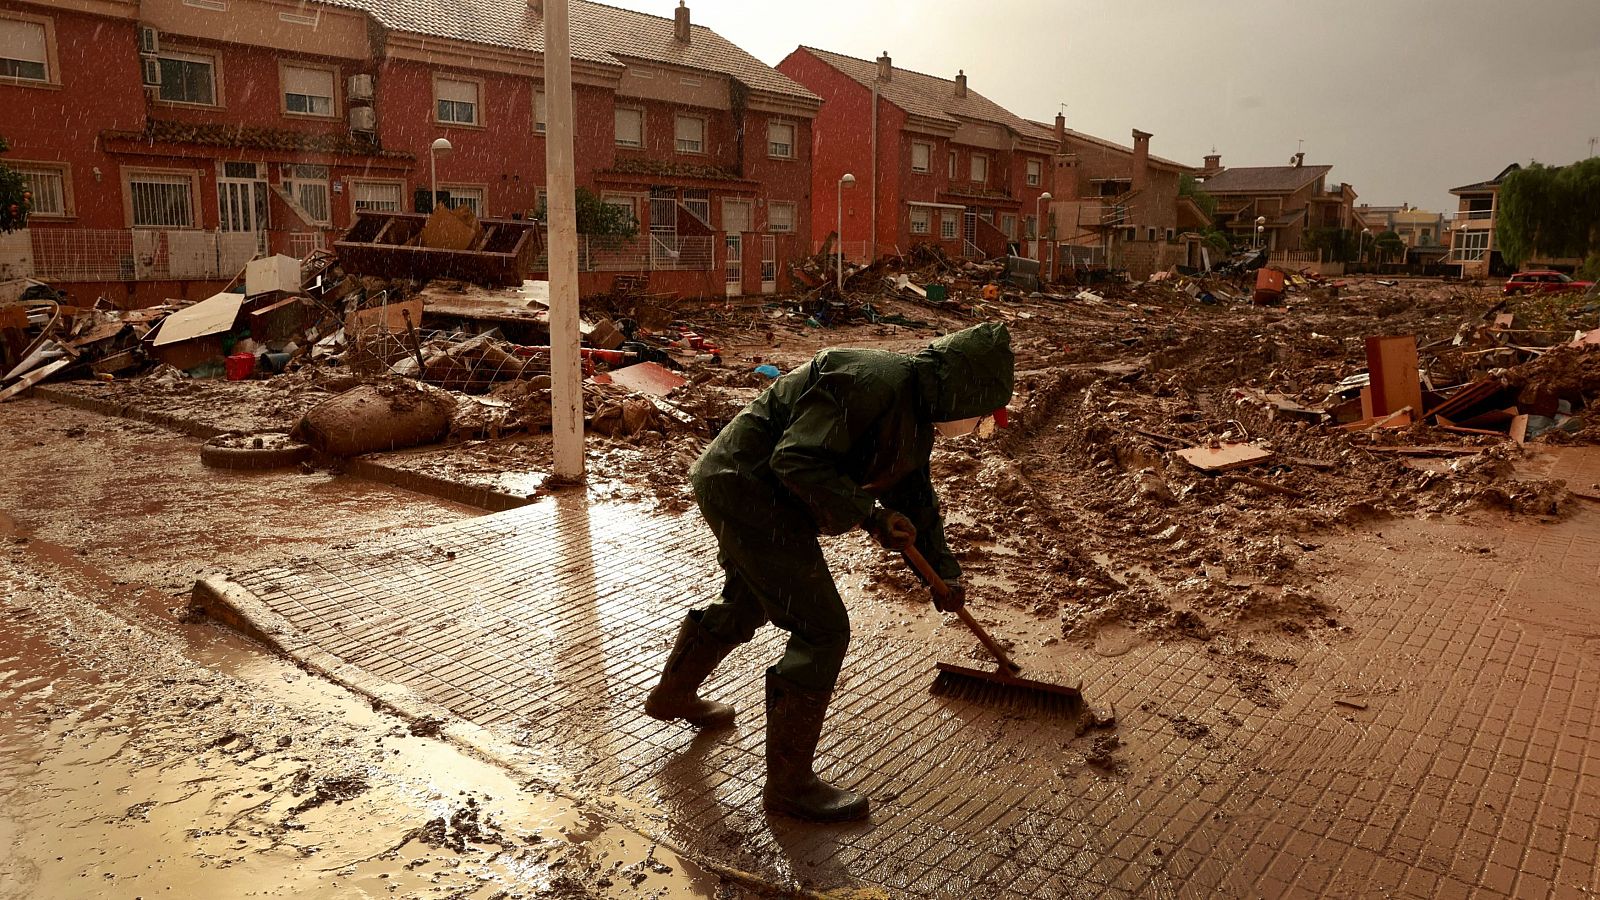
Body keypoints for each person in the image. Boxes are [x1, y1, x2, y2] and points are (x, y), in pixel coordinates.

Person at [644, 322, 1014, 822]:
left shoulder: (914, 418)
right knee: (822, 629)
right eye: (977, 414)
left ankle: (673, 695)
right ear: (961, 389)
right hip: (747, 487)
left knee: (749, 599)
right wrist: (870, 514)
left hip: (762, 493)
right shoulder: (869, 379)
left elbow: (916, 505)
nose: (970, 425)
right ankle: (789, 787)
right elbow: (796, 458)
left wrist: (943, 576)